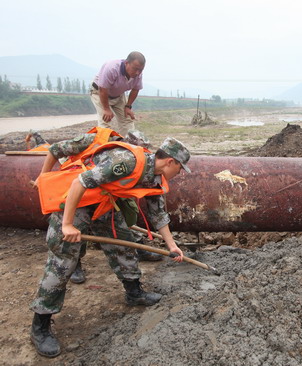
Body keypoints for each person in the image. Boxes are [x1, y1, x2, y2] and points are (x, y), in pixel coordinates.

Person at [30, 136, 190, 358]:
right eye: (181, 169)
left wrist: (172, 245)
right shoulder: (127, 162)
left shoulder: (155, 177)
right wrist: (66, 225)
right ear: (171, 161)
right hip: (76, 203)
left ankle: (134, 293)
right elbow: (79, 182)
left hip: (104, 202)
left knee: (124, 244)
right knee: (62, 263)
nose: (180, 174)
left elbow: (158, 214)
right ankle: (40, 325)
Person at [32, 128, 164, 284]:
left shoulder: (134, 161)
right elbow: (54, 150)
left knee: (124, 225)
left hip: (105, 196)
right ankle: (75, 266)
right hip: (76, 193)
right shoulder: (94, 141)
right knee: (72, 236)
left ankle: (134, 277)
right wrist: (43, 177)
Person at [90, 51, 146, 136]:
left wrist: (128, 106)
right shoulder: (112, 68)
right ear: (127, 63)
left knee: (127, 119)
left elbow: (135, 89)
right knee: (105, 120)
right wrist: (106, 109)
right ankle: (104, 146)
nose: (137, 72)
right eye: (135, 69)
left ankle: (128, 145)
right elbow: (103, 89)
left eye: (140, 70)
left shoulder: (138, 74)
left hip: (118, 94)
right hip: (100, 93)